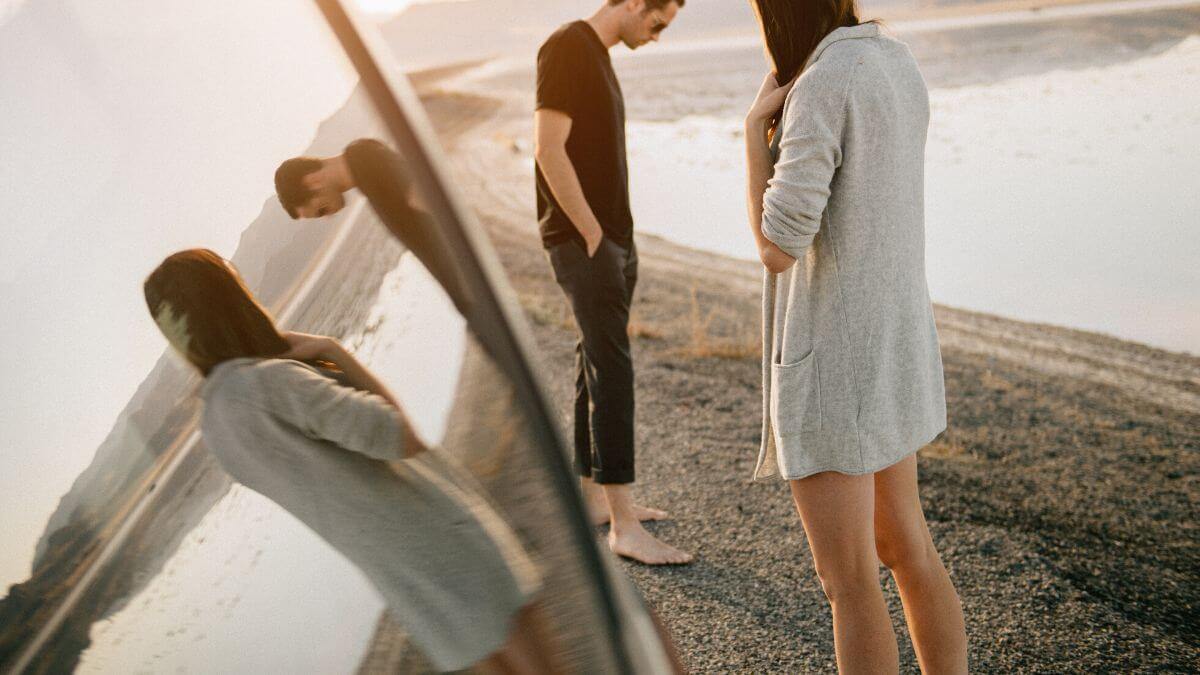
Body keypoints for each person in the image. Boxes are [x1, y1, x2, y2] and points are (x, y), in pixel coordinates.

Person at [143, 248, 556, 674]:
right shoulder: (268, 383)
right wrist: (332, 352)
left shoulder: (215, 429)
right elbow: (403, 436)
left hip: (403, 581)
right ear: (228, 300)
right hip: (445, 545)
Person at [743, 1, 968, 672]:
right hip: (890, 342)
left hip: (836, 366)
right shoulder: (893, 60)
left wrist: (753, 132)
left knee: (847, 580)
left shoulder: (823, 82)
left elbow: (777, 245)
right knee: (907, 548)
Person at [535, 0, 691, 565]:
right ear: (632, 3)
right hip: (586, 242)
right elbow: (548, 149)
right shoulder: (567, 46)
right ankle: (625, 529)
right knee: (612, 370)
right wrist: (592, 235)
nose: (656, 36)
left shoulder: (595, 55)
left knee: (593, 365)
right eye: (656, 22)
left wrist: (612, 238)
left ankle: (595, 501)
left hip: (609, 241)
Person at [274, 138, 470, 318]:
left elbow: (429, 202)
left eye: (321, 210)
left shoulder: (364, 158)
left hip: (470, 281)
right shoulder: (363, 167)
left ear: (312, 182)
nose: (327, 216)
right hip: (467, 286)